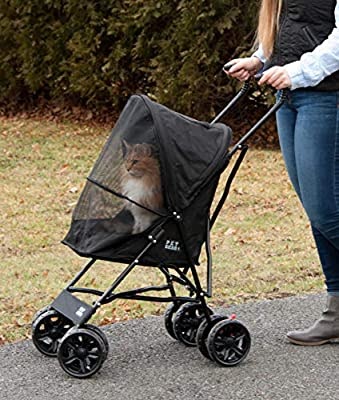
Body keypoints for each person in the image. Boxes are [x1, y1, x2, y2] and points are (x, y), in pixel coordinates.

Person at [226, 0, 339, 346]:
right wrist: (261, 58)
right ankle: (336, 313)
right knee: (316, 210)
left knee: (325, 209)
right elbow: (285, 22)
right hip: (288, 99)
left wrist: (297, 71)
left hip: (326, 96)